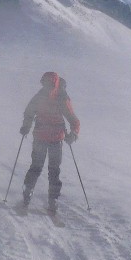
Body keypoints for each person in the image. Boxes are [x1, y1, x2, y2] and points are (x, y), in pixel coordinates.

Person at [19, 71, 80, 215]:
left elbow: (74, 120)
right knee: (49, 170)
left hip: (49, 138)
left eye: (50, 83)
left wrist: (74, 134)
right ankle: (50, 201)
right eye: (45, 83)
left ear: (55, 83)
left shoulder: (59, 97)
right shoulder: (49, 96)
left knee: (42, 169)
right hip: (49, 138)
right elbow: (29, 112)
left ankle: (32, 197)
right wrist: (73, 134)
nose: (47, 86)